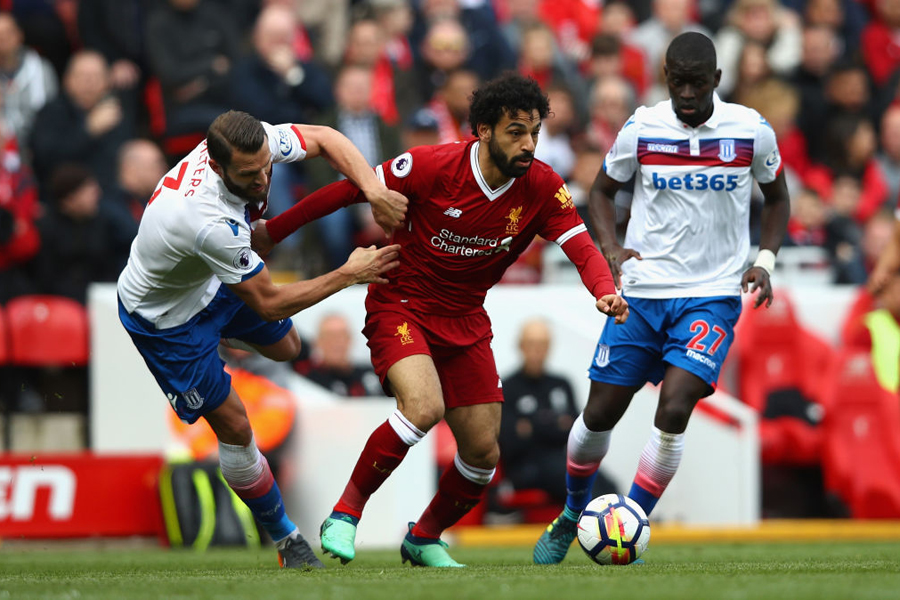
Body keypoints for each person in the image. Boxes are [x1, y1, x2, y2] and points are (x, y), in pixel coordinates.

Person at [254, 72, 630, 567]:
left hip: (466, 319)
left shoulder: (541, 185)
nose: (528, 144)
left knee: (482, 454)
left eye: (535, 132)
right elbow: (348, 192)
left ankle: (424, 537)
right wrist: (274, 231)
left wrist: (605, 291)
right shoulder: (432, 166)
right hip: (402, 303)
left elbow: (580, 245)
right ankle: (345, 513)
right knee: (424, 406)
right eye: (516, 131)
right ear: (484, 131)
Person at [532, 31, 790, 565]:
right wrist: (610, 248)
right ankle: (572, 514)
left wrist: (764, 260)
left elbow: (779, 198)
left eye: (698, 83)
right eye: (678, 83)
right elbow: (602, 191)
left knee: (675, 406)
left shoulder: (750, 130)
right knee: (598, 415)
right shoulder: (643, 126)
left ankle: (629, 521)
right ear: (665, 79)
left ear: (717, 80)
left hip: (712, 295)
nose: (688, 93)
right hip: (644, 294)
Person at [116, 110, 406, 569]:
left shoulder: (254, 144)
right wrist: (351, 273)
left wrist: (374, 191)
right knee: (235, 424)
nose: (262, 179)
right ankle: (286, 538)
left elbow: (327, 137)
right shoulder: (206, 220)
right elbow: (270, 303)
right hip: (165, 321)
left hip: (212, 281)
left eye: (266, 166)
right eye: (249, 175)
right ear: (215, 166)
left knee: (288, 349)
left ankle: (225, 330)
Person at [498, 318, 615, 506]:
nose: (537, 350)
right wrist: (554, 424)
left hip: (561, 460)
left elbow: (577, 433)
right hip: (525, 468)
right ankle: (601, 526)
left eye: (543, 345)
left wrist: (532, 426)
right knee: (576, 483)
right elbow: (510, 440)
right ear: (520, 346)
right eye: (531, 344)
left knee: (607, 483)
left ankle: (623, 524)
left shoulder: (561, 384)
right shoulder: (508, 387)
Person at [299, 313, 383, 397]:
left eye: (342, 336)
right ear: (317, 342)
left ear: (350, 339)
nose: (336, 342)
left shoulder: (374, 376)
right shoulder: (308, 376)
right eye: (329, 336)